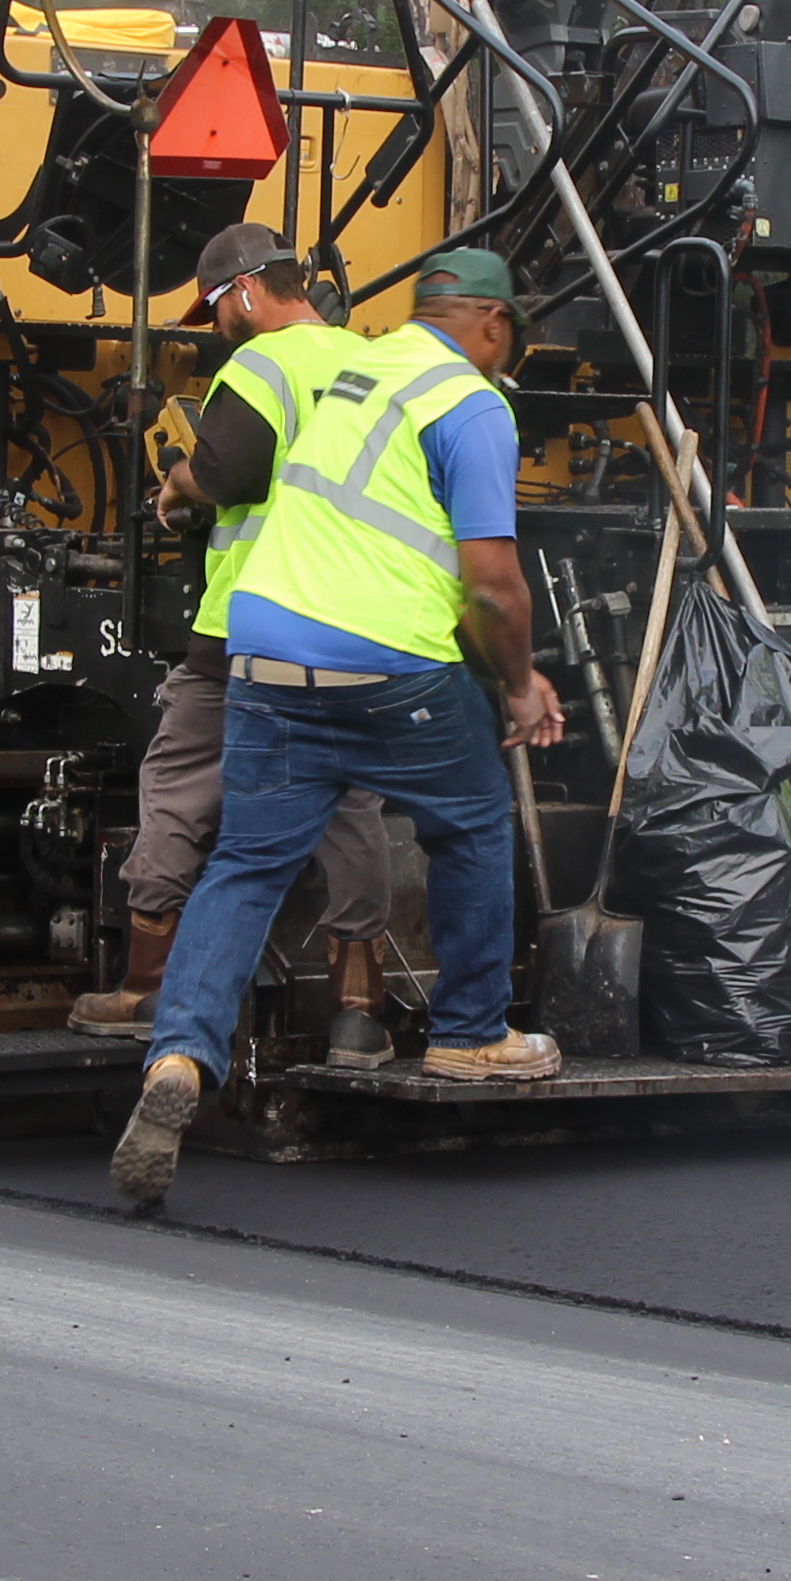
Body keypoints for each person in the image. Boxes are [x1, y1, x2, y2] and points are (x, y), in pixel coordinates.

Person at [109, 248, 568, 1209]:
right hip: (386, 660)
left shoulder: (359, 369)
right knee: (473, 819)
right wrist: (521, 686)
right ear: (489, 324)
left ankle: (180, 1060)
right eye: (509, 337)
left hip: (264, 647)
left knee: (244, 862)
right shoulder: (475, 406)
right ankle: (471, 1033)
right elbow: (490, 584)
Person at [75, 220, 402, 1058]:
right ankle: (358, 1009)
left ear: (251, 290)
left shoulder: (261, 363)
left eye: (219, 304)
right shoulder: (371, 362)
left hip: (247, 629)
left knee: (180, 780)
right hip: (352, 628)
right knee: (348, 803)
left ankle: (148, 986)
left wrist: (178, 482)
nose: (218, 321)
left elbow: (228, 475)